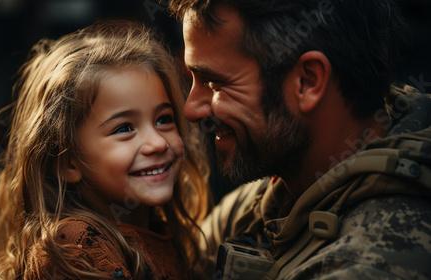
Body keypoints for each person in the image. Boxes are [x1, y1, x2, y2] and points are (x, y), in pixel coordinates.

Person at [169, 0, 431, 279]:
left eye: (214, 83)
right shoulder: (276, 191)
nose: (191, 109)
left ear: (308, 81)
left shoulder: (370, 265)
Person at [0, 21, 210, 280]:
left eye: (163, 119)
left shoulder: (164, 234)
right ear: (68, 162)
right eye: (124, 128)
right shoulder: (78, 244)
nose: (158, 143)